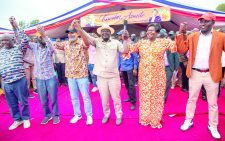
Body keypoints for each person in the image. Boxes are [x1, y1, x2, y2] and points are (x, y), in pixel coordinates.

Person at [176, 12, 225, 139]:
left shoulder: (221, 36)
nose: (202, 23)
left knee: (213, 103)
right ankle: (188, 120)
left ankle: (212, 125)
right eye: (201, 21)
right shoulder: (193, 36)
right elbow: (181, 50)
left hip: (212, 73)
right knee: (191, 99)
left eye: (205, 21)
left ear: (213, 23)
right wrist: (181, 33)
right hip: (195, 73)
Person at [72, 21, 128, 126]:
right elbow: (87, 37)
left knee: (116, 98)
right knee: (104, 98)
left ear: (110, 33)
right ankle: (106, 114)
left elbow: (124, 50)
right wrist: (79, 29)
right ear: (100, 33)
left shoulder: (116, 42)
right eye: (103, 31)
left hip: (113, 76)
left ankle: (118, 115)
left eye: (107, 31)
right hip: (101, 76)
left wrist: (125, 40)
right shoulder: (97, 41)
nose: (105, 33)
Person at [123, 23, 176, 128]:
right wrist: (126, 39)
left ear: (157, 32)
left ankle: (155, 119)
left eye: (152, 30)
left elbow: (176, 46)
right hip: (144, 76)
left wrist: (179, 35)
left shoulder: (163, 42)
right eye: (148, 30)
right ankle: (145, 118)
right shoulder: (141, 43)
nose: (149, 32)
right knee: (145, 97)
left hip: (158, 75)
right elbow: (127, 50)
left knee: (157, 97)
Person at [15, 22, 60, 125]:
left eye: (42, 38)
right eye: (39, 38)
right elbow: (22, 40)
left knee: (53, 98)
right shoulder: (34, 47)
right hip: (39, 78)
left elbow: (51, 46)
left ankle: (56, 115)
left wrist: (43, 34)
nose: (40, 39)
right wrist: (16, 27)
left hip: (50, 77)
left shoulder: (49, 48)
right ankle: (47, 115)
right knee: (43, 99)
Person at [54, 24, 93, 125]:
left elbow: (87, 43)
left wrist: (80, 30)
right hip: (70, 76)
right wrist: (44, 36)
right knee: (74, 97)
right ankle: (77, 114)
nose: (70, 35)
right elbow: (55, 45)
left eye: (72, 33)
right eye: (69, 33)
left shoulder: (81, 42)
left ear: (77, 34)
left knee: (86, 97)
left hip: (82, 75)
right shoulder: (66, 44)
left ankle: (89, 115)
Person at [0, 17, 31, 130]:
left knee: (23, 101)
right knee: (11, 103)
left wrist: (16, 27)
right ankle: (17, 120)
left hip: (19, 80)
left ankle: (26, 118)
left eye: (7, 40)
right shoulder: (1, 52)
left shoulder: (19, 48)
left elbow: (25, 40)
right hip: (6, 82)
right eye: (3, 40)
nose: (4, 42)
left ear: (12, 40)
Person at [163, 31, 179, 103]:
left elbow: (176, 56)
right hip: (159, 68)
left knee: (167, 82)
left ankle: (164, 98)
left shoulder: (172, 45)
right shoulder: (157, 47)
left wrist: (176, 67)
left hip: (169, 67)